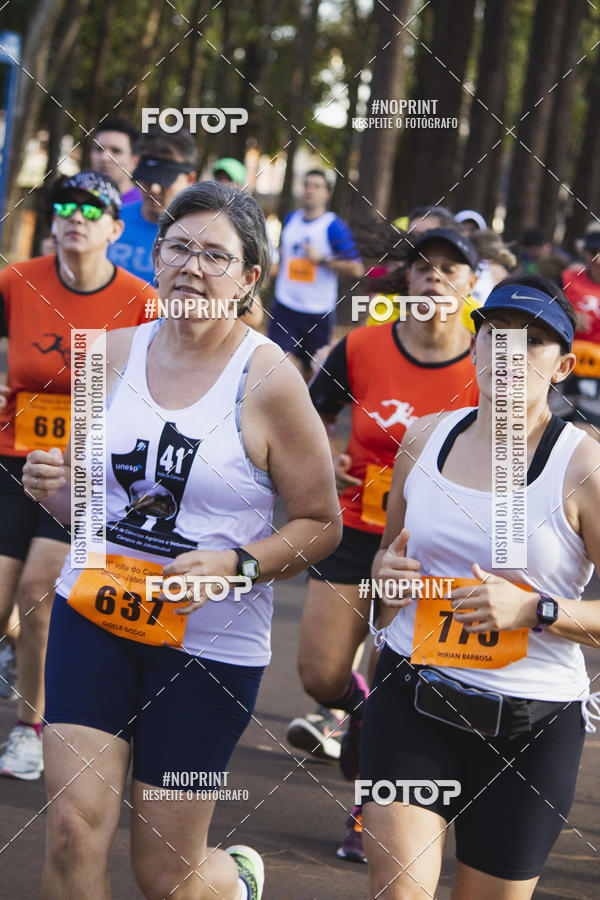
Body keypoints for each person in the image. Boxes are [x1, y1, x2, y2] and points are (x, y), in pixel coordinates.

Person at [23, 181, 342, 899]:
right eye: (179, 248)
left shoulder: (269, 380)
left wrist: (238, 563)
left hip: (207, 649)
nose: (193, 268)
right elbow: (92, 506)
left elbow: (323, 524)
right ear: (156, 257)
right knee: (73, 829)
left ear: (250, 278)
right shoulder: (105, 353)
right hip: (94, 613)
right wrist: (53, 484)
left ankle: (235, 882)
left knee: (165, 874)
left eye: (216, 256)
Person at [361, 276, 600, 898]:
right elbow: (389, 565)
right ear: (475, 348)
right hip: (414, 696)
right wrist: (383, 577)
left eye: (533, 342)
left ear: (563, 367)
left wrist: (536, 609)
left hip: (534, 725)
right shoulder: (422, 438)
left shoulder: (584, 466)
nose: (508, 352)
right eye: (495, 334)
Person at [287, 228, 480, 862]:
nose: (437, 280)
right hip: (354, 527)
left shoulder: (485, 361)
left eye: (453, 270)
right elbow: (308, 413)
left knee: (390, 670)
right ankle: (356, 712)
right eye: (425, 269)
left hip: (427, 542)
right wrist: (321, 461)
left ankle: (369, 811)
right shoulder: (362, 347)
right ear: (406, 281)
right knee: (320, 673)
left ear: (471, 286)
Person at [0, 171, 158, 780]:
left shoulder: (141, 300)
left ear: (116, 229)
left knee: (39, 591)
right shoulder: (16, 281)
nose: (75, 216)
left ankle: (28, 726)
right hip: (14, 455)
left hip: (90, 469)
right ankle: (34, 674)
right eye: (64, 205)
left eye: (92, 210)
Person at [269, 169, 364, 379]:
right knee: (276, 363)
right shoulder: (291, 219)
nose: (310, 190)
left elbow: (357, 268)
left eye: (317, 186)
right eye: (307, 185)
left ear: (327, 194)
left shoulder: (333, 226)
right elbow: (284, 253)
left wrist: (322, 259)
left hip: (317, 312)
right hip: (285, 307)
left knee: (312, 371)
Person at [108, 126, 199, 284]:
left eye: (165, 180)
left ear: (190, 179)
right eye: (147, 178)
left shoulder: (204, 237)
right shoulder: (110, 220)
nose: (154, 189)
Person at [90, 116, 142, 206]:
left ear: (134, 162)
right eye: (99, 149)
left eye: (116, 151)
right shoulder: (73, 200)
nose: (104, 158)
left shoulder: (146, 210)